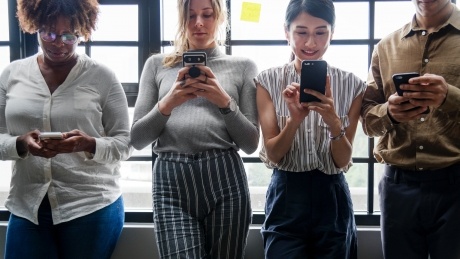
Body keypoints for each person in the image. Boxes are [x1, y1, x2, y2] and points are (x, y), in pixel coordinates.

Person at [0, 0, 132, 258]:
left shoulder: (102, 76)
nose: (58, 43)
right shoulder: (11, 75)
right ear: (35, 26)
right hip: (29, 207)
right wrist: (21, 143)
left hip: (91, 206)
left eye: (69, 35)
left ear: (83, 31)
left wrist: (88, 144)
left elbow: (125, 143)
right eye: (49, 33)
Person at [129, 0, 259, 258]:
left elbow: (251, 143)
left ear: (220, 18)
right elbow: (137, 138)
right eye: (190, 16)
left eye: (207, 15)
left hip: (224, 176)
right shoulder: (157, 65)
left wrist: (224, 101)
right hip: (171, 179)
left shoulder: (243, 66)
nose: (199, 22)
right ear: (181, 19)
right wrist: (168, 103)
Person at [255, 0, 366, 258]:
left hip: (332, 194)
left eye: (321, 32)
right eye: (301, 32)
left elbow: (342, 160)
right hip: (286, 193)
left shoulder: (353, 85)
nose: (311, 43)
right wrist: (294, 120)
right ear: (286, 32)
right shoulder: (267, 80)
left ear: (332, 33)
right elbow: (273, 155)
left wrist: (332, 121)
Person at [360, 0, 460, 258]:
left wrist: (449, 97)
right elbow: (367, 119)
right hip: (397, 187)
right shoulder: (385, 46)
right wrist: (389, 113)